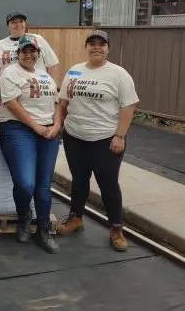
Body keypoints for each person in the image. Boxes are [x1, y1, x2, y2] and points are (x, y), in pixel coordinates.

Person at [56, 30, 139, 252]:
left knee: (108, 184)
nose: (96, 47)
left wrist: (119, 135)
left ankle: (116, 227)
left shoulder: (118, 74)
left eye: (101, 44)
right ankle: (75, 218)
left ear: (108, 48)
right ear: (86, 47)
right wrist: (58, 126)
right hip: (75, 137)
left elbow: (128, 106)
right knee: (79, 180)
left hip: (106, 140)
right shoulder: (74, 71)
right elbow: (63, 103)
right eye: (92, 43)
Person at [0, 34, 61, 254]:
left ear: (38, 54)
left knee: (44, 185)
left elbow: (57, 104)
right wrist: (35, 126)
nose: (28, 55)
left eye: (32, 51)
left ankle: (43, 230)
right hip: (18, 129)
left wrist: (56, 126)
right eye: (24, 51)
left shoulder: (45, 76)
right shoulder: (10, 73)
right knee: (26, 183)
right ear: (18, 54)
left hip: (48, 131)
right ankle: (24, 216)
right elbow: (11, 103)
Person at [0, 11, 59, 77]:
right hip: (11, 86)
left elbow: (52, 64)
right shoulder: (0, 45)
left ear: (25, 23)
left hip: (36, 85)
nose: (18, 25)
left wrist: (51, 84)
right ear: (8, 26)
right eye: (13, 22)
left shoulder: (37, 39)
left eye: (21, 21)